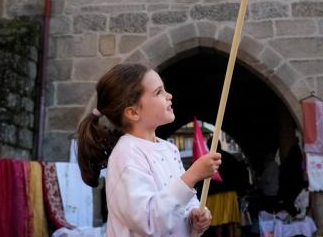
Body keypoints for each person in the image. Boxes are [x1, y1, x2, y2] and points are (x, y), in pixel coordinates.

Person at [76, 63, 222, 236]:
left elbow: (178, 208)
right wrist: (193, 175)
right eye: (159, 92)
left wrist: (193, 218)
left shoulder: (170, 149)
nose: (169, 95)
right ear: (133, 112)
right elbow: (149, 223)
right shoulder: (127, 154)